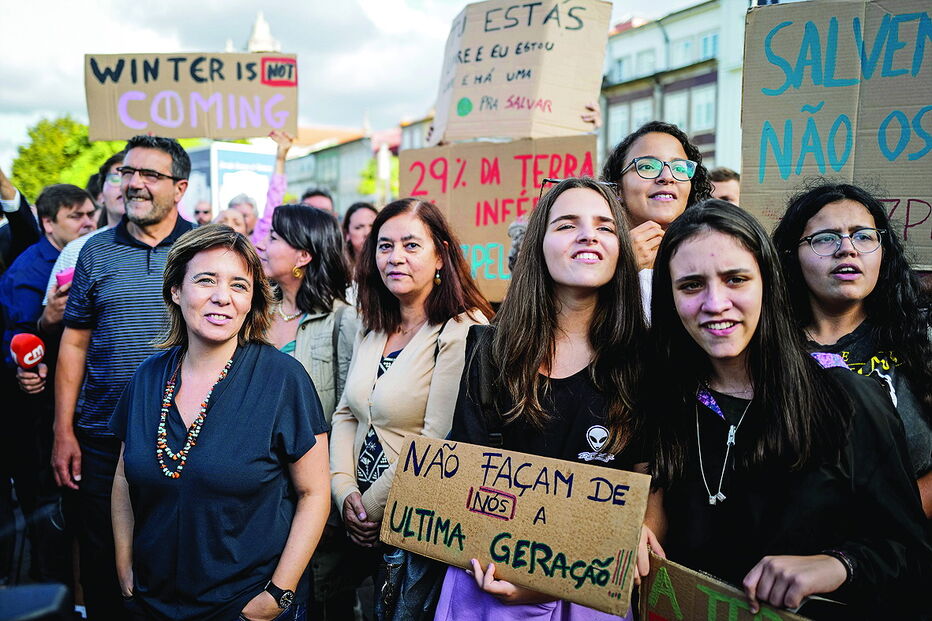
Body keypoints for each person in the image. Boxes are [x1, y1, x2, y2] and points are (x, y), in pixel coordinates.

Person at [646, 200, 931, 618]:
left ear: (767, 283)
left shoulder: (847, 401)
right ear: (669, 298)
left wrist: (839, 565)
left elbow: (912, 557)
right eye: (691, 285)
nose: (715, 302)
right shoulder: (657, 403)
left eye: (736, 279)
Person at [435, 177, 661, 620]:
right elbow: (462, 477)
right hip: (490, 587)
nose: (587, 236)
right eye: (566, 225)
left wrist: (638, 532)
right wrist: (516, 576)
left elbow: (653, 481)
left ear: (622, 249)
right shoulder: (490, 351)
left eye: (604, 226)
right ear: (538, 245)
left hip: (592, 592)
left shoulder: (647, 361)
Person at [110, 224, 330, 620]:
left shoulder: (283, 379)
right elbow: (124, 478)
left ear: (251, 301)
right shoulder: (147, 377)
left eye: (239, 286)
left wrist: (278, 594)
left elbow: (314, 494)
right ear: (176, 291)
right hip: (151, 600)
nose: (221, 297)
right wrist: (124, 564)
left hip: (244, 604)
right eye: (206, 280)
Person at [52, 134, 194, 619]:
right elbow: (74, 341)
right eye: (127, 173)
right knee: (102, 567)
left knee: (174, 562)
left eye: (149, 175)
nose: (133, 184)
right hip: (98, 437)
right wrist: (63, 429)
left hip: (182, 436)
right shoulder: (94, 252)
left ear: (180, 188)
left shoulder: (205, 249)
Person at [329, 198, 492, 611]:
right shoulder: (374, 326)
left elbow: (438, 441)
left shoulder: (462, 328)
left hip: (412, 522)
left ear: (441, 256)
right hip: (355, 517)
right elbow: (347, 412)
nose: (395, 257)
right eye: (384, 246)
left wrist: (368, 508)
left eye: (410, 245)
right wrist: (343, 489)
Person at [772, 182, 932, 517]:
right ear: (792, 255)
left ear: (883, 250)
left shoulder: (920, 337)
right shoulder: (766, 350)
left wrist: (886, 525)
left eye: (863, 236)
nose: (847, 249)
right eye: (825, 238)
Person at [256, 203, 360, 619]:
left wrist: (331, 494)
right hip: (261, 484)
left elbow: (348, 413)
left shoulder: (341, 320)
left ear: (303, 256)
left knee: (321, 599)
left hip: (313, 487)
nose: (263, 246)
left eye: (275, 239)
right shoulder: (255, 315)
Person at [0, 183, 95, 587]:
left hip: (89, 407)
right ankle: (48, 589)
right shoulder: (29, 270)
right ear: (48, 223)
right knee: (48, 508)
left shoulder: (97, 255)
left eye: (91, 214)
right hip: (39, 414)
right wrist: (43, 327)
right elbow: (17, 337)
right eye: (76, 216)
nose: (88, 222)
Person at [601, 121, 712, 313]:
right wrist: (621, 267)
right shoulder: (594, 252)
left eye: (679, 168)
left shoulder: (711, 256)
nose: (667, 177)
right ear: (618, 187)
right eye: (647, 166)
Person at [37, 151, 126, 338]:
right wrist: (48, 319)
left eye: (143, 175)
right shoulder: (77, 250)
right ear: (101, 194)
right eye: (117, 177)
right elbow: (52, 327)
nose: (128, 184)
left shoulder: (184, 243)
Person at [342, 201, 377, 271]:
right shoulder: (339, 269)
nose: (367, 233)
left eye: (372, 226)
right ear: (347, 233)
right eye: (359, 227)